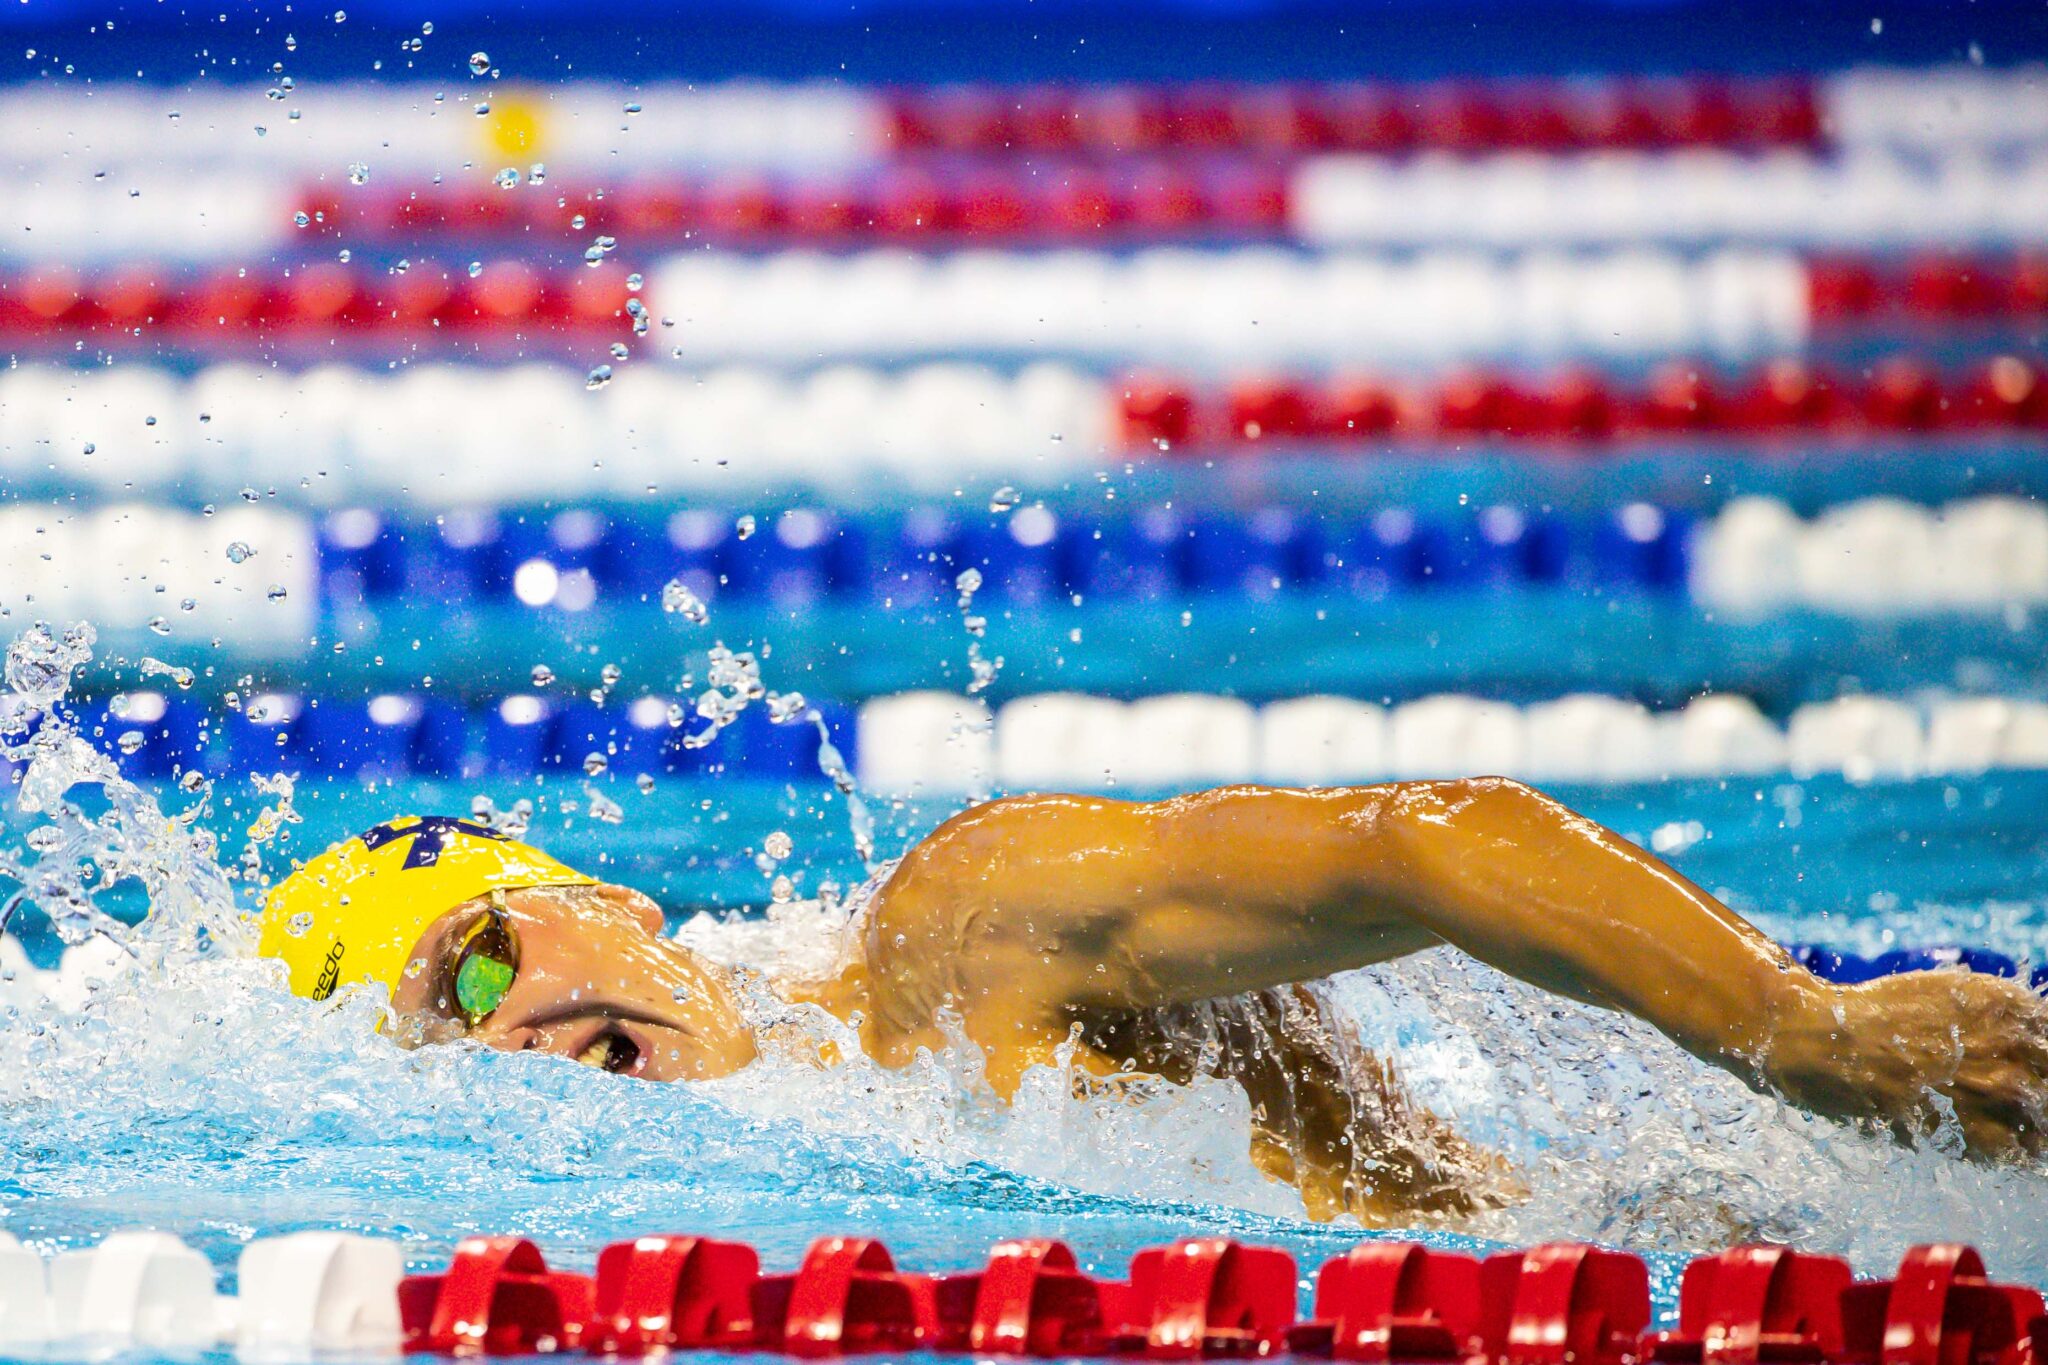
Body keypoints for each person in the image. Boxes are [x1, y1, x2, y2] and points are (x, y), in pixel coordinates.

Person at [257, 784, 2048, 1222]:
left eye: (479, 961)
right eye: (448, 1049)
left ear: (620, 904)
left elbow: (1420, 843)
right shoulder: (733, 1178)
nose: (499, 1032)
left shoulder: (956, 943)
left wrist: (1806, 1030)